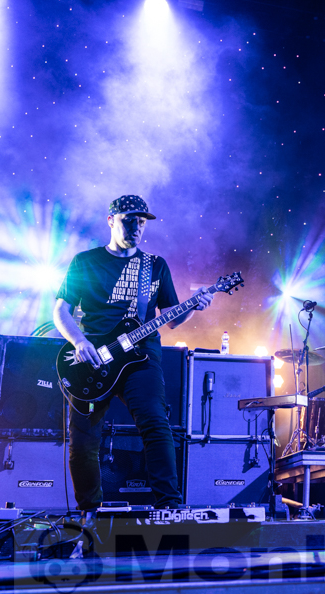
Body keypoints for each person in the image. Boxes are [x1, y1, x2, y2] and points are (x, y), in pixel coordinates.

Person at [53, 194, 213, 511]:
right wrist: (79, 342)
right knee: (84, 440)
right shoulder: (84, 261)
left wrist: (196, 304)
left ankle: (169, 507)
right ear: (111, 220)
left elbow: (173, 317)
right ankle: (89, 514)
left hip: (141, 357)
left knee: (156, 423)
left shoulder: (155, 266)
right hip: (93, 358)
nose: (137, 227)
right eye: (129, 220)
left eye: (141, 222)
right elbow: (61, 310)